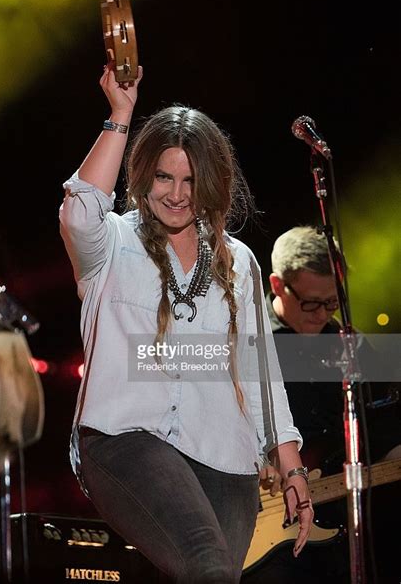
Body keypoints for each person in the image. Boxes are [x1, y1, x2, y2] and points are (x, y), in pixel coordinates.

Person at [58, 64, 314, 584]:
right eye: (164, 177)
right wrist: (121, 114)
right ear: (143, 173)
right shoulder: (112, 243)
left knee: (217, 573)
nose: (177, 194)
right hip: (124, 437)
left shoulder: (239, 261)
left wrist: (291, 468)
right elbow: (80, 210)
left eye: (191, 181)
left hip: (226, 453)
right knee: (207, 564)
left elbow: (260, 373)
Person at [245, 225, 401, 584]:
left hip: (339, 525)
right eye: (311, 302)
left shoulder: (351, 346)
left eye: (332, 302)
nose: (322, 314)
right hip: (265, 526)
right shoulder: (246, 341)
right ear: (276, 285)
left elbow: (385, 431)